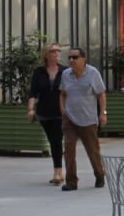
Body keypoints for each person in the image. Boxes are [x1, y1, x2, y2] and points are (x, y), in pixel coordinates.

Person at [57, 46, 107, 191]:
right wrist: (62, 108)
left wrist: (103, 113)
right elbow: (63, 93)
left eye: (75, 57)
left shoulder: (93, 73)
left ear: (83, 59)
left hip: (88, 119)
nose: (71, 60)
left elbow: (101, 94)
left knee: (92, 150)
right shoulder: (66, 74)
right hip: (70, 118)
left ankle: (99, 174)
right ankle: (71, 181)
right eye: (70, 58)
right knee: (69, 149)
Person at [25, 42, 66, 185]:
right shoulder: (39, 72)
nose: (56, 53)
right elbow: (33, 92)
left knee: (56, 140)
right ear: (46, 55)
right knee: (52, 140)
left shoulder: (65, 71)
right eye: (53, 51)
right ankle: (59, 169)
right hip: (44, 112)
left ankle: (58, 172)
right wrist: (30, 109)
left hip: (60, 112)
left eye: (58, 51)